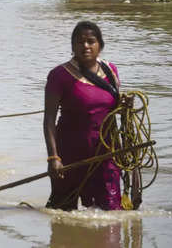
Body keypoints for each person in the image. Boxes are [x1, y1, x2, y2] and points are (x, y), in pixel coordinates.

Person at [43, 21, 133, 211]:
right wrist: (53, 158)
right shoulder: (59, 75)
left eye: (91, 41)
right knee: (63, 211)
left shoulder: (111, 70)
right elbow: (49, 119)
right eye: (79, 42)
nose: (85, 46)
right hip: (70, 153)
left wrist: (125, 105)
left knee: (111, 210)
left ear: (100, 45)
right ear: (72, 46)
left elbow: (113, 107)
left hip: (107, 151)